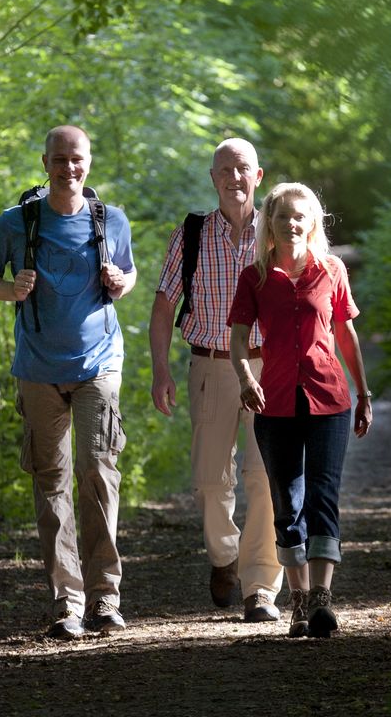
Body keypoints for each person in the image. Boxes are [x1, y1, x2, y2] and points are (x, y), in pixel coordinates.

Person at [0, 125, 137, 640]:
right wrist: (10, 289)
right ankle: (68, 601)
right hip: (38, 368)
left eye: (77, 159)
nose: (69, 168)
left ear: (89, 162)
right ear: (45, 163)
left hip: (99, 364)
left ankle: (106, 597)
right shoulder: (16, 222)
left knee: (97, 471)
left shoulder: (112, 221)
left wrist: (119, 281)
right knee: (51, 482)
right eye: (59, 160)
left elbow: (128, 276)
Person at [228, 181, 373, 639]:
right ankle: (298, 598)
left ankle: (322, 599)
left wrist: (364, 393)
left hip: (329, 399)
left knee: (322, 497)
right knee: (287, 505)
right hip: (273, 402)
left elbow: (346, 336)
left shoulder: (331, 270)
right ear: (268, 223)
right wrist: (246, 378)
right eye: (283, 215)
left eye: (301, 216)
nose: (292, 223)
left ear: (312, 224)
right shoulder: (253, 277)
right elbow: (236, 338)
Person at [149, 138, 284, 622]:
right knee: (210, 480)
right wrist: (161, 369)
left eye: (242, 168)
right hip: (210, 364)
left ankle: (261, 586)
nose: (234, 177)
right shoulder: (190, 234)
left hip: (269, 366)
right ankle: (224, 557)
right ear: (212, 178)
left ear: (258, 175)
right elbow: (164, 305)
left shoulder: (278, 232)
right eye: (224, 169)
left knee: (265, 475)